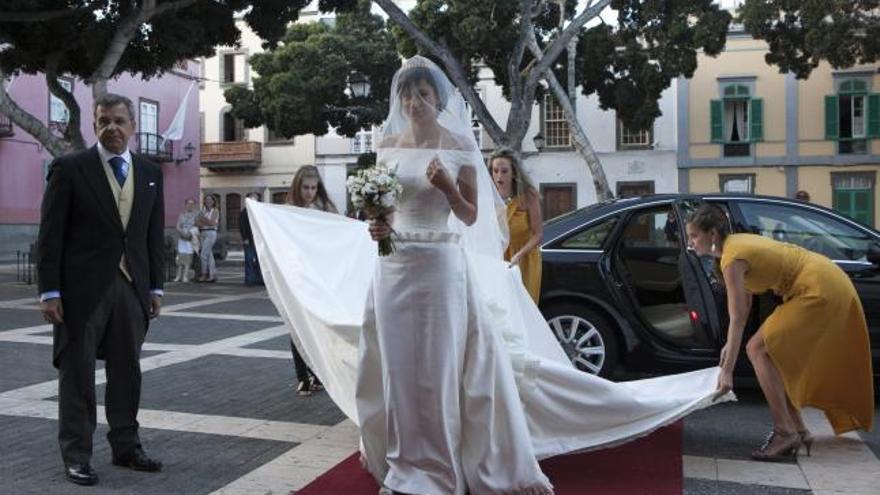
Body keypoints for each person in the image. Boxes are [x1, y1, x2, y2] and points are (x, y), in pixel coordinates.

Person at [246, 56, 729, 495]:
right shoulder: (389, 144)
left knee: (436, 368)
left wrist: (446, 187)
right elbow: (388, 211)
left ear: (438, 99)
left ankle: (436, 466)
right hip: (392, 267)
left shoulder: (457, 142)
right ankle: (403, 460)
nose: (415, 103)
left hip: (438, 265)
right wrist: (378, 223)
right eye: (408, 96)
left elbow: (472, 214)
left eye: (424, 95)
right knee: (398, 365)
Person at [36, 93, 165, 486]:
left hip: (132, 287)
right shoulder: (70, 168)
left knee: (128, 371)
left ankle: (127, 446)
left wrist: (156, 286)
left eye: (120, 121)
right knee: (77, 376)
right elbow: (50, 235)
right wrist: (50, 292)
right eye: (104, 121)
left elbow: (152, 234)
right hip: (80, 291)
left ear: (132, 126)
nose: (112, 128)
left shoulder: (149, 171)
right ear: (94, 125)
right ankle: (77, 455)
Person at [685, 204, 873, 461]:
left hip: (819, 287)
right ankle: (797, 430)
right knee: (769, 353)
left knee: (757, 348)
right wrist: (729, 347)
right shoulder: (734, 248)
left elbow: (738, 318)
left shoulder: (731, 258)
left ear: (713, 234)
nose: (691, 242)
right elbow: (743, 310)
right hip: (823, 279)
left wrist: (727, 371)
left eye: (694, 236)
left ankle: (785, 432)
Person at [286, 165, 337, 395]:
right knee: (296, 326)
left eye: (313, 188)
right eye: (305, 187)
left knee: (318, 327)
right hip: (296, 274)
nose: (309, 192)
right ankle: (302, 376)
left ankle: (317, 373)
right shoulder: (287, 211)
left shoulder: (325, 209)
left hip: (319, 275)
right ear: (298, 187)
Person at [490, 148, 543, 303]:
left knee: (523, 308)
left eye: (504, 171)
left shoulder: (528, 195)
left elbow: (538, 234)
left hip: (524, 259)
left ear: (514, 172)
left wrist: (518, 256)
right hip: (497, 258)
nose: (499, 176)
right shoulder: (488, 197)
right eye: (495, 171)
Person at [239, 192, 264, 286]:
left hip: (259, 239)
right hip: (249, 239)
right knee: (249, 259)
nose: (253, 200)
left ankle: (259, 278)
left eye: (255, 198)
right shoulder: (244, 212)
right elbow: (242, 226)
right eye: (251, 198)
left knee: (260, 260)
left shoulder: (261, 211)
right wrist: (245, 237)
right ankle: (249, 279)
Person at [174, 197, 199, 283]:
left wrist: (190, 233)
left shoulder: (196, 215)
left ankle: (185, 276)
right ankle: (178, 276)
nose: (190, 205)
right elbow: (178, 226)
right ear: (185, 205)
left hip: (190, 238)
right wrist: (182, 232)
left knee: (188, 259)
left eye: (192, 204)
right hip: (182, 238)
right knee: (180, 258)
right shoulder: (182, 215)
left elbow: (198, 226)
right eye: (188, 204)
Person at [196, 194, 219, 282]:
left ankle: (204, 274)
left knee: (203, 254)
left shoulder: (215, 211)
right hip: (202, 233)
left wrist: (203, 219)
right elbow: (197, 223)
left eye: (210, 200)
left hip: (211, 233)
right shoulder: (202, 211)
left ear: (213, 202)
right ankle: (213, 275)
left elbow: (213, 223)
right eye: (206, 200)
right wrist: (206, 221)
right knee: (209, 255)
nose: (208, 201)